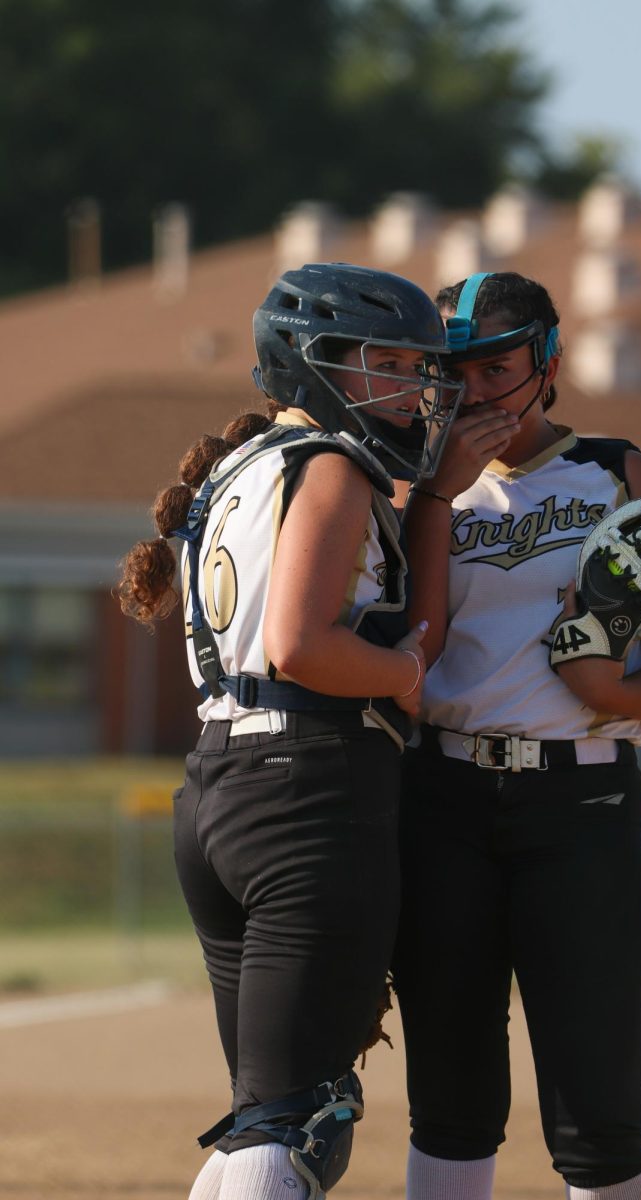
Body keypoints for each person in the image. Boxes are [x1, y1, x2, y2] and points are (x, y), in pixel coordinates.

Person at [117, 262, 462, 1200]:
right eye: (386, 361)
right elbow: (302, 645)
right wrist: (403, 673)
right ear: (315, 365)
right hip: (306, 792)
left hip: (221, 785)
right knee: (300, 1119)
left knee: (262, 1115)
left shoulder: (236, 466)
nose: (410, 385)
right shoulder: (332, 468)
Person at [392, 271, 641, 1200]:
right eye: (449, 371)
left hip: (583, 804)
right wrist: (432, 499)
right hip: (447, 798)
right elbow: (416, 657)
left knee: (596, 1112)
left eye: (495, 366)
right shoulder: (420, 489)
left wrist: (609, 686)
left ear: (549, 363)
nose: (471, 391)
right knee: (450, 1102)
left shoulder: (617, 472)